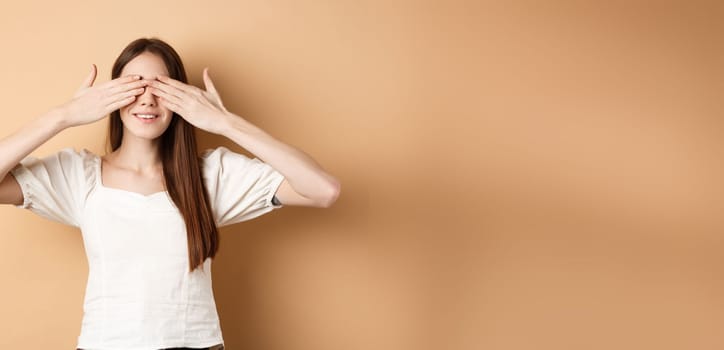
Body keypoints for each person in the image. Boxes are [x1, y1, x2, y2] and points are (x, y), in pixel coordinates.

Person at [0, 37, 340, 350]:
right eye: (134, 85)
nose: (147, 98)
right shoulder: (80, 176)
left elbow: (323, 189)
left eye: (161, 86)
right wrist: (63, 116)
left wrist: (224, 122)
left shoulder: (210, 176)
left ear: (182, 97)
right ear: (111, 95)